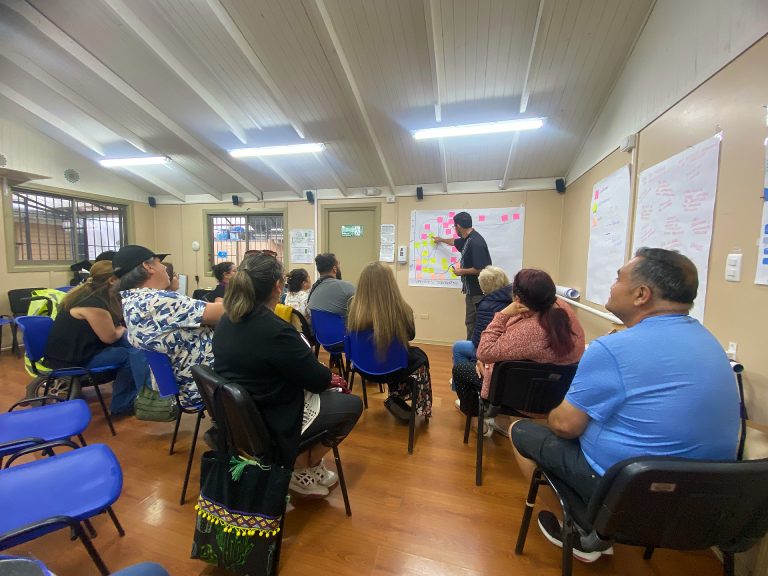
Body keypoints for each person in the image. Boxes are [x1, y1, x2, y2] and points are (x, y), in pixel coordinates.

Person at [510, 248, 741, 563]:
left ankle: (583, 532)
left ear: (641, 294)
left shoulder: (613, 348)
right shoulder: (709, 341)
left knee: (520, 430)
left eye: (618, 278)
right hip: (708, 502)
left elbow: (564, 425)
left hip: (631, 496)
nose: (611, 284)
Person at [213, 253, 363, 498]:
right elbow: (316, 380)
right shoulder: (276, 331)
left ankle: (303, 464)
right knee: (351, 403)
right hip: (271, 419)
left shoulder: (227, 320)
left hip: (238, 419)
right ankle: (301, 467)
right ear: (277, 286)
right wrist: (330, 377)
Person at [114, 245, 224, 407]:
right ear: (148, 266)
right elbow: (224, 313)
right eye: (159, 262)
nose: (165, 267)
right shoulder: (159, 301)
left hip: (185, 378)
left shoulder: (132, 301)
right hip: (204, 382)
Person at [44, 260, 150, 415]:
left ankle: (145, 393)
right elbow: (110, 337)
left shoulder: (94, 295)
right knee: (131, 354)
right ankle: (123, 404)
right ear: (112, 280)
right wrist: (121, 329)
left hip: (83, 349)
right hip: (74, 358)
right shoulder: (92, 304)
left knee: (138, 344)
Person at [347, 262, 433, 418]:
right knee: (420, 358)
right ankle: (420, 408)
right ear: (390, 284)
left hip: (362, 369)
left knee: (389, 353)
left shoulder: (353, 309)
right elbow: (410, 336)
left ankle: (396, 396)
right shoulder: (403, 310)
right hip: (394, 370)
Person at [433, 212, 492, 339]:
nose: (455, 229)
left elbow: (482, 268)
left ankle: (478, 353)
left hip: (479, 292)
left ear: (458, 226)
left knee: (480, 324)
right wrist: (441, 240)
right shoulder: (467, 239)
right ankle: (470, 352)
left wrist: (461, 271)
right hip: (471, 291)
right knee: (470, 322)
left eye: (455, 227)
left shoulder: (476, 242)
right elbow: (455, 242)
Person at [451, 266, 512, 366]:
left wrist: (476, 361)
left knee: (457, 347)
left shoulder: (486, 306)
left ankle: (462, 377)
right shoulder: (514, 300)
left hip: (491, 352)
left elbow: (478, 340)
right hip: (506, 350)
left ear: (484, 286)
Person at [307, 253, 355, 318]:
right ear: (335, 269)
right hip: (342, 328)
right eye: (339, 265)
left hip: (319, 328)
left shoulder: (313, 289)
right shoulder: (346, 287)